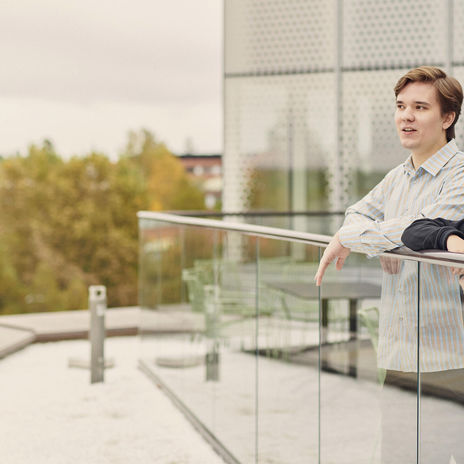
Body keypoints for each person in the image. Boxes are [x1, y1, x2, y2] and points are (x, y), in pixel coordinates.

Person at [314, 66, 464, 463]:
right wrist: (382, 240)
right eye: (400, 106)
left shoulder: (461, 175)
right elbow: (353, 219)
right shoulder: (396, 178)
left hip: (450, 360)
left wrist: (378, 239)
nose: (406, 116)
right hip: (398, 356)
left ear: (447, 117)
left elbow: (424, 228)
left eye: (420, 107)